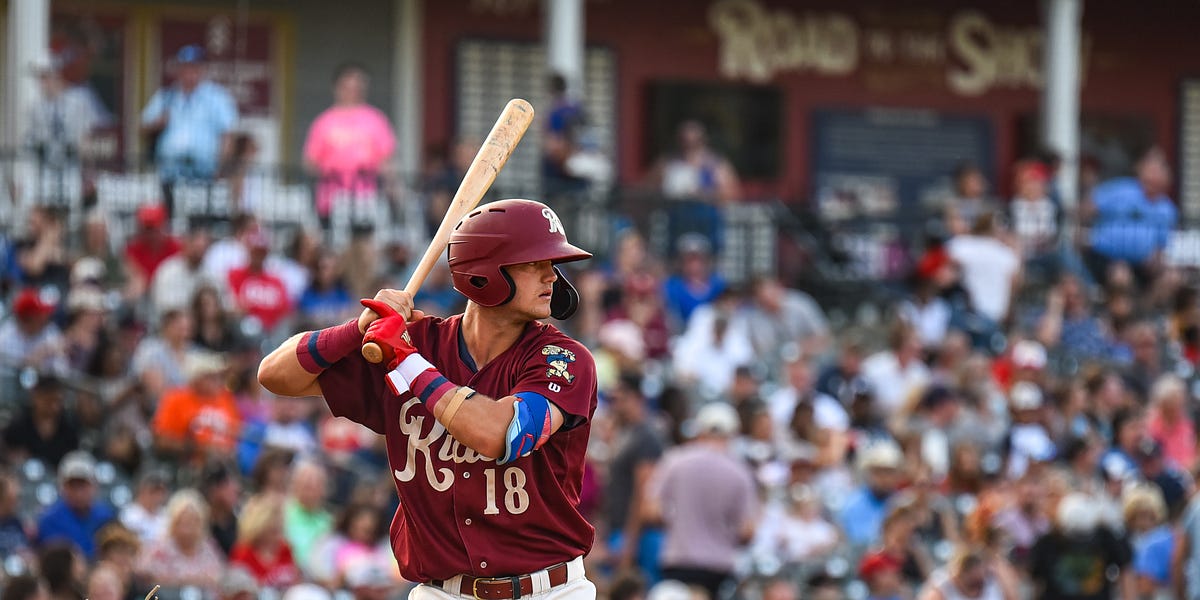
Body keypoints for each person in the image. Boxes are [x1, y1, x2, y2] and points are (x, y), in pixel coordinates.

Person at [258, 198, 599, 598]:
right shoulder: (416, 342)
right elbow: (274, 375)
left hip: (547, 591)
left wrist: (406, 360)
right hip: (441, 591)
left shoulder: (565, 358)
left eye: (552, 265)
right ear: (485, 272)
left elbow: (503, 436)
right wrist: (358, 328)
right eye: (534, 264)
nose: (552, 278)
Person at [644, 403, 758, 600]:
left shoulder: (675, 460)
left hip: (679, 560)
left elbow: (650, 511)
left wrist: (681, 521)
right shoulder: (740, 471)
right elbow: (747, 531)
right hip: (719, 568)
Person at [141, 45, 238, 213]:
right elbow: (143, 127)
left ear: (202, 69)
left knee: (198, 221)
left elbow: (228, 134)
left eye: (194, 67)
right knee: (170, 218)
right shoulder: (167, 96)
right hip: (170, 172)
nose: (190, 72)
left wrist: (221, 168)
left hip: (203, 173)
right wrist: (158, 123)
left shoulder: (216, 97)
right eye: (185, 67)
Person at [303, 62, 396, 223]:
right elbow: (310, 161)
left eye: (358, 87)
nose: (353, 92)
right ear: (337, 88)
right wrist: (329, 174)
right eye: (348, 87)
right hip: (331, 199)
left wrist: (392, 187)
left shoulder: (376, 119)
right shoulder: (324, 121)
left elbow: (387, 159)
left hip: (367, 197)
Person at [1084, 146, 1177, 286]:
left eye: (1159, 169)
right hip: (1106, 258)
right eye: (1151, 168)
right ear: (1140, 169)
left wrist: (1156, 259)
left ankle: (1145, 307)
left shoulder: (1166, 208)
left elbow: (1161, 244)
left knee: (1172, 278)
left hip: (1142, 265)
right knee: (1121, 276)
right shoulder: (1120, 190)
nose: (1154, 174)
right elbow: (1087, 209)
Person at [134, 489, 225, 595]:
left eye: (193, 521)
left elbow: (219, 577)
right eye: (183, 522)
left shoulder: (208, 547)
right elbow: (142, 571)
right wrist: (187, 581)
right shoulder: (160, 547)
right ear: (174, 523)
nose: (188, 528)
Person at [34, 450, 115, 560]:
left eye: (83, 485)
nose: (78, 493)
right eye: (72, 486)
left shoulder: (106, 516)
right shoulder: (50, 520)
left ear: (95, 486)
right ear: (62, 488)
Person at [2, 373, 80, 467]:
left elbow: (74, 458)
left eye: (58, 401)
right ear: (36, 397)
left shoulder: (68, 429)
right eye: (49, 400)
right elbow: (6, 449)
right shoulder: (19, 424)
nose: (54, 407)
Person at [229, 494, 302, 590]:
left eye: (280, 530)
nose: (278, 536)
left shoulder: (285, 549)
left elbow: (296, 581)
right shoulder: (242, 553)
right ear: (259, 528)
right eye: (273, 531)